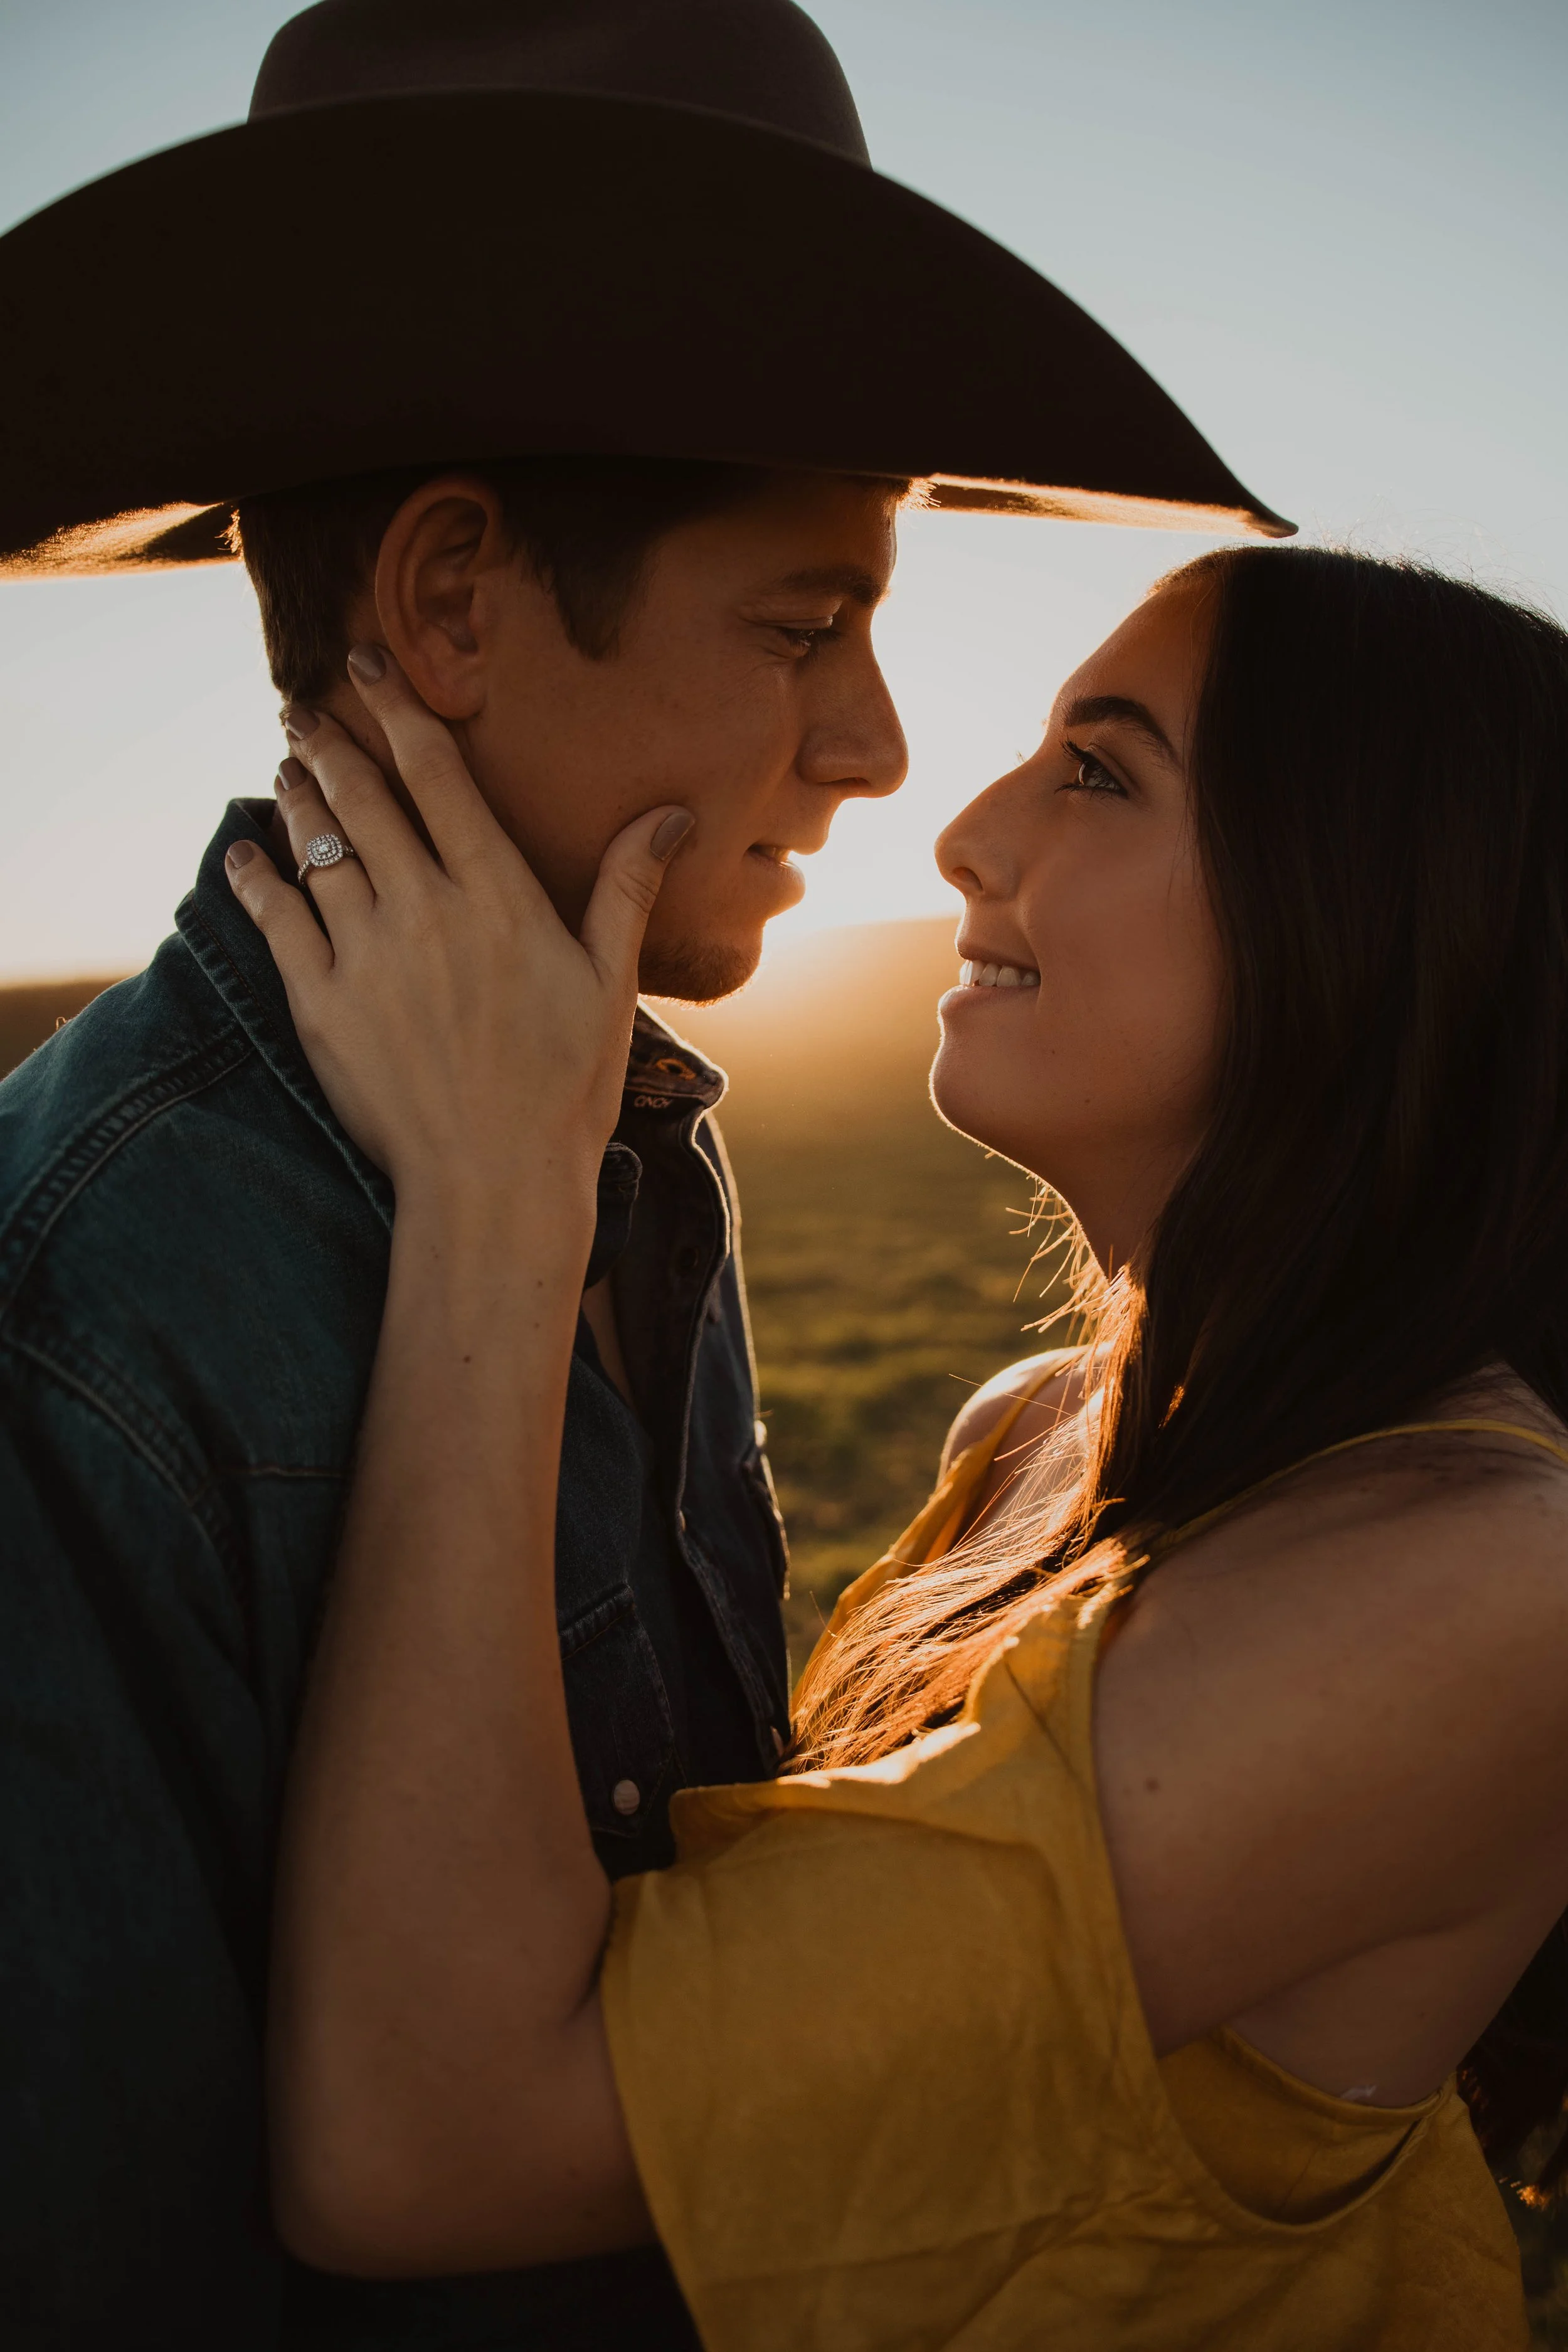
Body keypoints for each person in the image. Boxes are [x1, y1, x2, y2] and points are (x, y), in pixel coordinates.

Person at [0, 3, 1286, 2346]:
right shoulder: (82, 1304)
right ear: (454, 597)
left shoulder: (627, 1139)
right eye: (804, 621)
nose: (882, 745)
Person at [237, 544, 1568, 2349]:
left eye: (1100, 770)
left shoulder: (1492, 1581)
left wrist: (495, 1188)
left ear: (1371, 905)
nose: (962, 829)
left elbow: (422, 2138)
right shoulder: (1028, 1436)